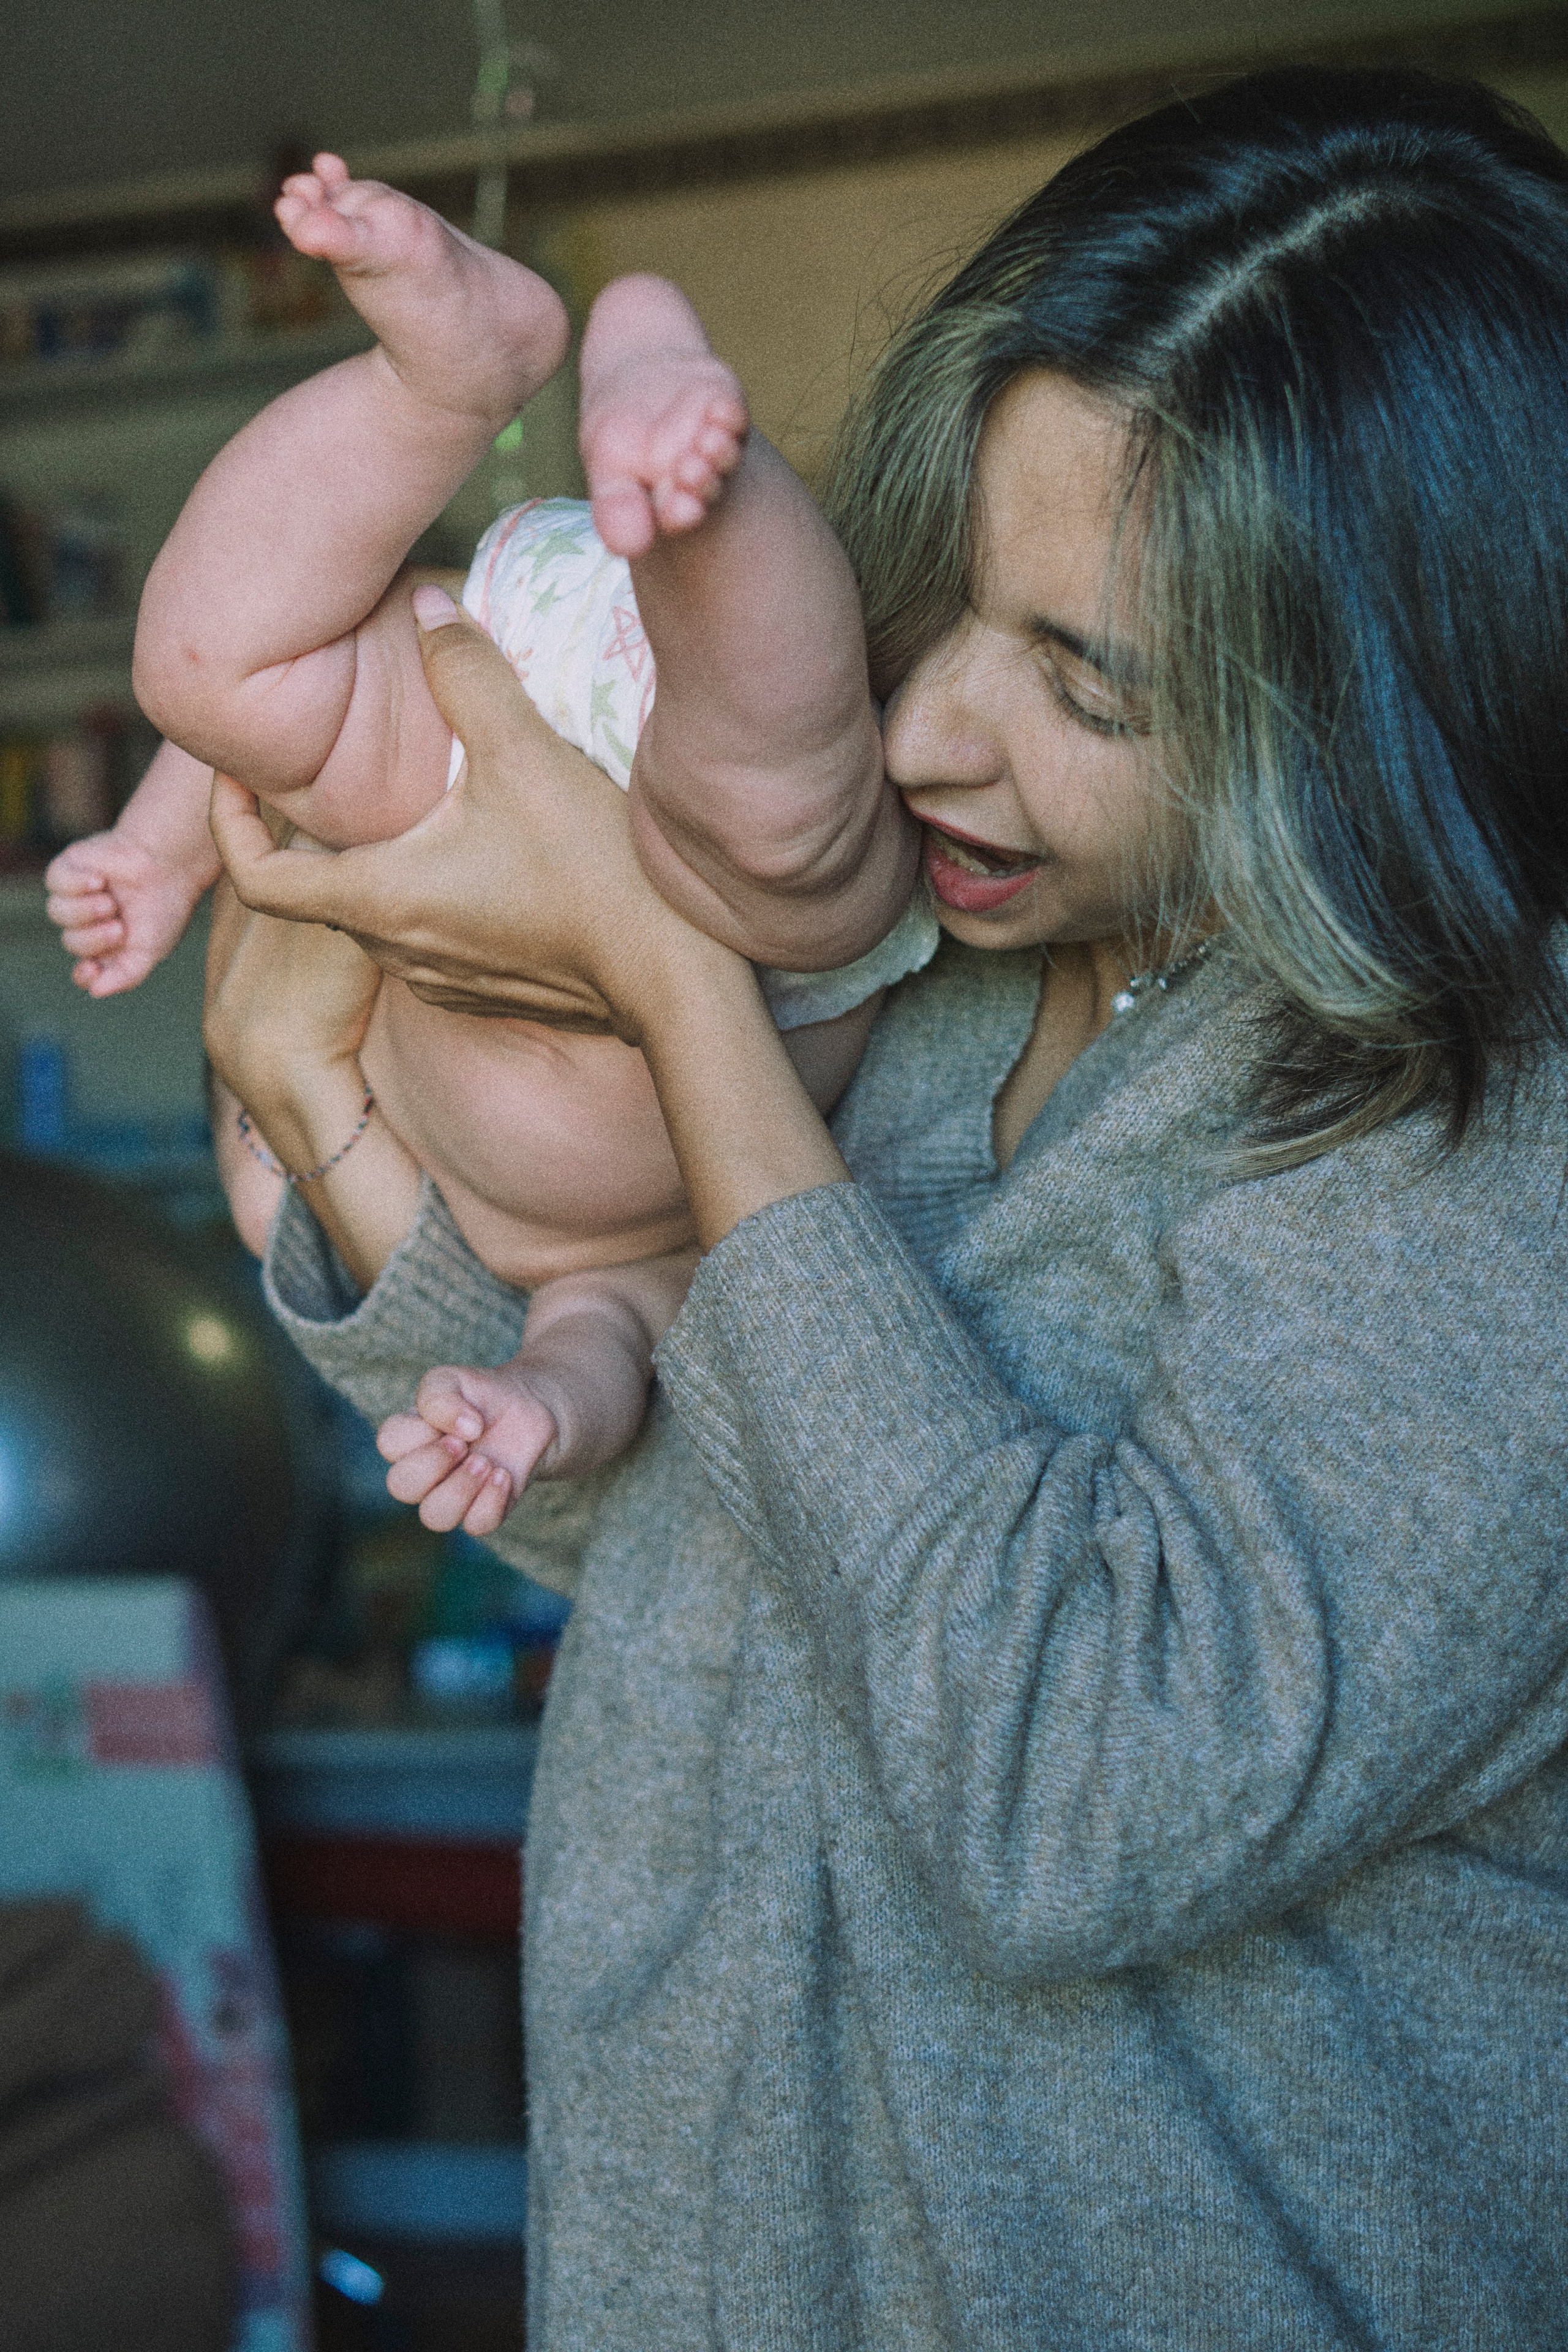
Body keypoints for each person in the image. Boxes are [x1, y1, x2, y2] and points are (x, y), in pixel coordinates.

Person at [207, 66, 1568, 2349]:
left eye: (1084, 685)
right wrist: (330, 1121)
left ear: (1382, 717)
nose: (925, 731)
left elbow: (1073, 1790)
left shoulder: (1487, 1123)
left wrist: (673, 997)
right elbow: (707, 1554)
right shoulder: (952, 978)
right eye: (948, 608)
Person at [45, 156, 927, 1515]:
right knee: (783, 821)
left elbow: (250, 765)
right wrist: (529, 1412)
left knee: (221, 675)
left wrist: (169, 846)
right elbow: (598, 1373)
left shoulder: (467, 1220)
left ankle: (457, 384)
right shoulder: (639, 1270)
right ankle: (646, 433)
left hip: (468, 753)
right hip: (725, 908)